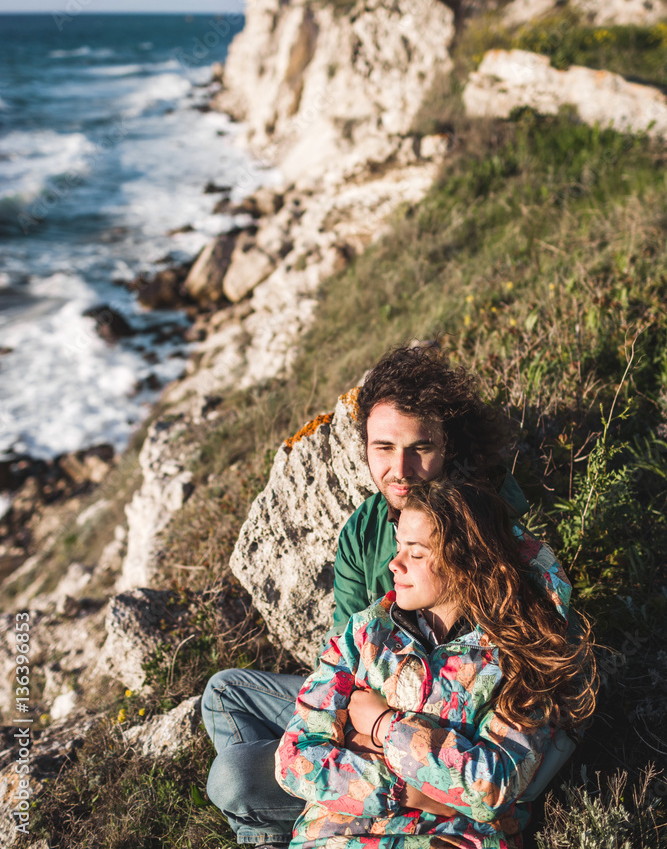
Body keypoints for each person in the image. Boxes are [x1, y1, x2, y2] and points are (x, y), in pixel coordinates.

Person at [202, 346, 554, 845]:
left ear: (449, 445)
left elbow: (529, 690)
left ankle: (304, 812)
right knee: (223, 692)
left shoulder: (490, 525)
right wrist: (362, 733)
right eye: (383, 447)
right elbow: (343, 665)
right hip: (372, 711)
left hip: (443, 724)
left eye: (420, 448)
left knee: (234, 776)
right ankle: (299, 817)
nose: (400, 469)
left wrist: (382, 738)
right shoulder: (363, 530)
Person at [276, 478, 597, 849]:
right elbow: (294, 758)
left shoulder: (519, 654)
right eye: (399, 547)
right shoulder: (365, 632)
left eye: (415, 553)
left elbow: (490, 787)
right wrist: (410, 791)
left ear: (466, 561)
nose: (394, 564)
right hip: (332, 839)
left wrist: (382, 728)